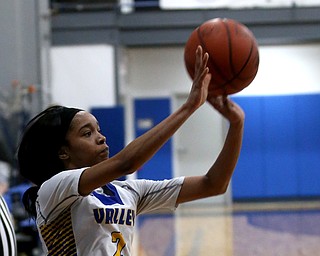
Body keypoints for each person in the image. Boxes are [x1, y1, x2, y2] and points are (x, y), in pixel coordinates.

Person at [17, 46, 244, 256]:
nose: (101, 137)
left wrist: (236, 125)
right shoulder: (54, 189)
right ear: (63, 152)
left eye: (99, 129)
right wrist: (188, 107)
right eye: (87, 133)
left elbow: (214, 184)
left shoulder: (128, 191)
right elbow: (126, 163)